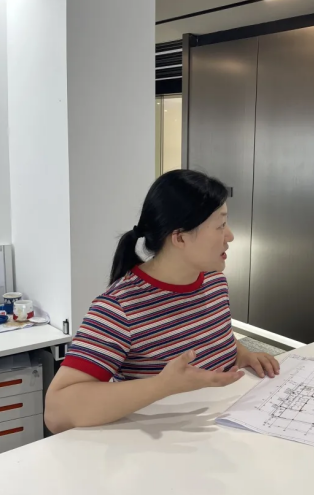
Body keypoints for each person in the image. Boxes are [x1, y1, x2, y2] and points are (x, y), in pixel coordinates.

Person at [45, 170, 280, 434]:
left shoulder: (213, 281)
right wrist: (162, 385)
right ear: (179, 237)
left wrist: (241, 352)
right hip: (162, 448)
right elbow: (56, 412)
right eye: (220, 225)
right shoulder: (118, 308)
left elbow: (211, 335)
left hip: (224, 429)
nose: (230, 236)